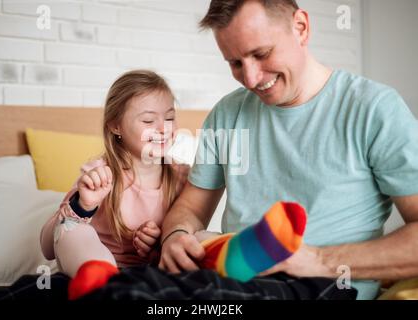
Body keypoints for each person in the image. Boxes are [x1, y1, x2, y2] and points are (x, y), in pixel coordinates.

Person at [158, 0, 418, 300]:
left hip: (323, 287)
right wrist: (176, 236)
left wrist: (318, 260)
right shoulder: (227, 113)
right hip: (232, 283)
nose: (251, 79)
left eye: (261, 54)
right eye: (235, 63)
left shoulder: (374, 109)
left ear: (301, 28)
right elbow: (190, 208)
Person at [40, 70, 189, 300]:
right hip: (93, 268)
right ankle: (100, 279)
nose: (163, 129)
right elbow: (48, 247)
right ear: (115, 126)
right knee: (76, 230)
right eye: (149, 120)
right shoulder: (99, 174)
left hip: (149, 276)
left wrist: (157, 243)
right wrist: (83, 205)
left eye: (169, 118)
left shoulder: (183, 177)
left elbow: (184, 238)